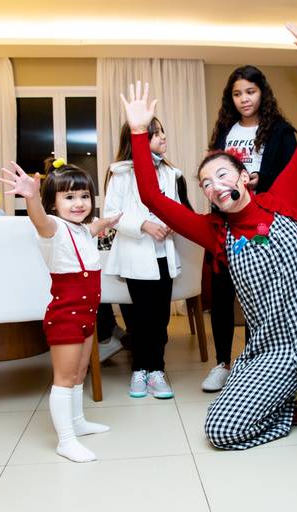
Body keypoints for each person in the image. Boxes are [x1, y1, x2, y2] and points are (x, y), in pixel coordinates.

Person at [120, 24, 297, 453]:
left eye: (221, 174)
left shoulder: (283, 197)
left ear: (244, 177)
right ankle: (290, 392)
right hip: (274, 348)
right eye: (205, 182)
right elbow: (151, 195)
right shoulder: (214, 233)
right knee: (222, 430)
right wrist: (137, 133)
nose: (212, 186)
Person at [0, 157, 120, 463]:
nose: (78, 203)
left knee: (80, 373)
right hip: (65, 317)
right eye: (68, 197)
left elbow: (91, 229)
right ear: (53, 204)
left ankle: (78, 422)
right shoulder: (52, 229)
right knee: (64, 378)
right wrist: (31, 197)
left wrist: (104, 223)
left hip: (87, 315)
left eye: (83, 196)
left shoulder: (80, 229)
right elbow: (39, 219)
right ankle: (65, 440)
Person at [203, 64, 297, 395]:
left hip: (264, 223)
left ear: (263, 93)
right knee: (222, 291)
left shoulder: (281, 132)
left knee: (265, 294)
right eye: (237, 93)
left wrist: (261, 182)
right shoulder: (225, 132)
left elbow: (293, 177)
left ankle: (265, 361)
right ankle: (222, 363)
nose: (244, 99)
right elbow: (212, 174)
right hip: (225, 222)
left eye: (251, 91)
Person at [103, 120, 191, 398]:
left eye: (163, 131)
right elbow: (112, 213)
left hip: (163, 252)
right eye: (156, 133)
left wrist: (173, 222)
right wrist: (143, 225)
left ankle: (157, 370)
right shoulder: (120, 174)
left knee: (160, 317)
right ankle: (140, 370)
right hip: (135, 255)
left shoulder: (169, 172)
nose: (164, 137)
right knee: (141, 317)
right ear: (138, 139)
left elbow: (174, 206)